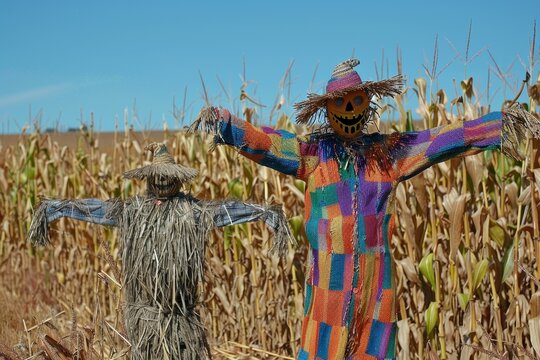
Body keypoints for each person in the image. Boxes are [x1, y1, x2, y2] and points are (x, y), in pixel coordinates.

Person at [193, 58, 540, 359]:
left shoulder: (388, 154)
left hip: (375, 295)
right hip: (329, 292)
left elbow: (441, 139)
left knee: (372, 351)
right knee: (322, 351)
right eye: (341, 103)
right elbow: (266, 142)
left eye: (356, 101)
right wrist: (225, 124)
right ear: (327, 111)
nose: (349, 110)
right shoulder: (313, 156)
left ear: (368, 103)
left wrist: (498, 124)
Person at [28, 142, 291, 360]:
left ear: (178, 178)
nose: (163, 180)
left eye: (168, 175)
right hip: (144, 320)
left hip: (182, 319)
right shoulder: (132, 210)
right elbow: (95, 209)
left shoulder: (193, 212)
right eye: (158, 175)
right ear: (148, 178)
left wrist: (264, 213)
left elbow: (226, 211)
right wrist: (58, 207)